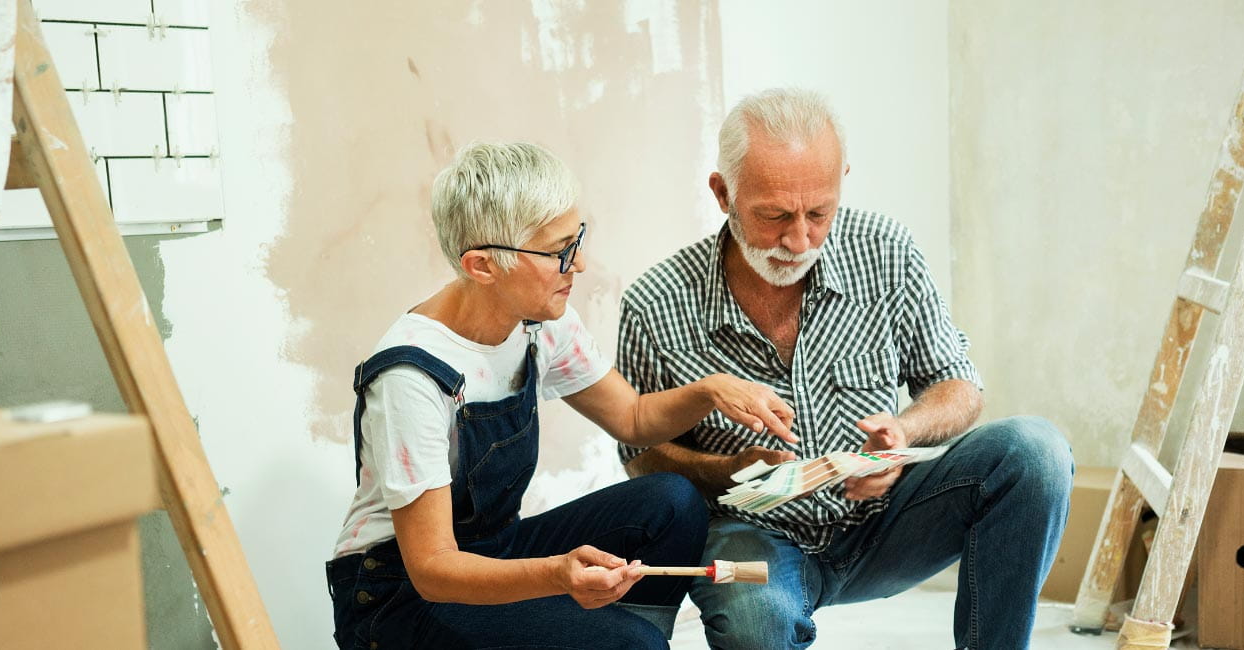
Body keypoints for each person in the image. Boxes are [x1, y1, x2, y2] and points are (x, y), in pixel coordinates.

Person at [617, 88, 1074, 650]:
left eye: (819, 213)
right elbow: (639, 457)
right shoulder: (656, 302)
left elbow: (959, 386)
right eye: (774, 216)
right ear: (722, 193)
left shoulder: (886, 252)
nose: (799, 239)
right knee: (756, 619)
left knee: (1036, 452)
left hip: (891, 521)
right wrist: (726, 468)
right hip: (751, 537)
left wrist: (904, 434)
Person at [326, 141, 798, 649]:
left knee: (672, 503)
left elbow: (633, 418)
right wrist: (555, 574)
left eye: (577, 240)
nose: (580, 265)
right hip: (398, 597)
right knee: (632, 645)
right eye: (559, 252)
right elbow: (434, 568)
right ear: (483, 265)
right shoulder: (412, 377)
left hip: (490, 550)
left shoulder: (538, 322)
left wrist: (711, 391)